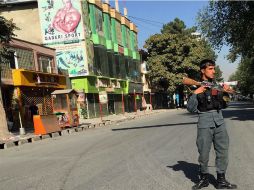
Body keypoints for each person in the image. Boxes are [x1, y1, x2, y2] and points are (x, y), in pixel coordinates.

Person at [187, 59, 237, 189]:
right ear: (202, 70)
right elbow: (191, 109)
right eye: (210, 69)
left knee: (223, 151)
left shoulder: (217, 86)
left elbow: (224, 105)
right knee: (203, 152)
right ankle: (203, 178)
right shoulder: (195, 87)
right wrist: (195, 94)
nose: (213, 71)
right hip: (204, 121)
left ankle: (221, 180)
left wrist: (226, 92)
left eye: (214, 68)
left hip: (219, 121)